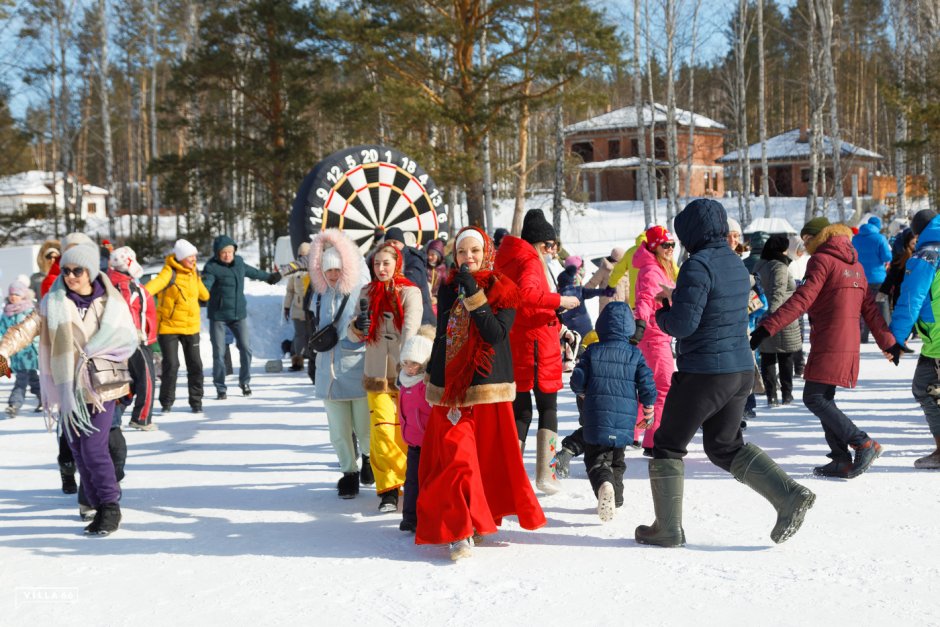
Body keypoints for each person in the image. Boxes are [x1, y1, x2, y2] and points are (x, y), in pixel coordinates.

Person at [635, 198, 815, 548]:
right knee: (723, 445)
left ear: (691, 232)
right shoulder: (734, 261)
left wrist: (662, 312)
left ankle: (667, 529)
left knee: (668, 444)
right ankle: (789, 496)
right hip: (739, 370)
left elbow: (684, 325)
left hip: (704, 371)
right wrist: (679, 297)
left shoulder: (696, 265)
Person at [417, 226, 546, 560]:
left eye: (474, 251)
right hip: (451, 391)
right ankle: (460, 533)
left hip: (488, 389)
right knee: (457, 460)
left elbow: (494, 334)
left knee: (484, 464)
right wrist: (430, 370)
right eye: (462, 252)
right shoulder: (446, 288)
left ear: (487, 252)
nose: (468, 258)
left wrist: (474, 294)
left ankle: (479, 518)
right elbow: (444, 336)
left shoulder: (506, 289)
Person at [0, 243, 139, 536]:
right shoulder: (53, 302)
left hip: (102, 387)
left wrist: (100, 352)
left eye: (77, 270)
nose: (71, 276)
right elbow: (26, 329)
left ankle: (110, 506)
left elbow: (129, 337)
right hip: (67, 386)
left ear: (90, 271)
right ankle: (95, 503)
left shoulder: (110, 302)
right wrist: (3, 351)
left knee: (93, 448)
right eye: (66, 271)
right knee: (78, 449)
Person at [751, 217, 904, 479]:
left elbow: (802, 299)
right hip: (846, 341)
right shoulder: (855, 264)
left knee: (815, 398)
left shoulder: (821, 260)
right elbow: (869, 309)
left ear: (817, 237)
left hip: (830, 340)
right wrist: (888, 342)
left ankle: (862, 442)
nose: (805, 246)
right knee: (824, 398)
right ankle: (841, 459)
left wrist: (766, 328)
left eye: (807, 240)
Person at [494, 209, 579, 494]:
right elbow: (527, 295)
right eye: (550, 246)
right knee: (548, 407)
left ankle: (509, 473)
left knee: (521, 411)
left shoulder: (507, 257)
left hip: (515, 342)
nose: (552, 252)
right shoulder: (530, 261)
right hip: (537, 345)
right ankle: (547, 473)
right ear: (542, 244)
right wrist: (561, 300)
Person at [349, 242, 421, 512]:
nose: (381, 268)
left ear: (397, 264)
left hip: (407, 374)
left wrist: (408, 363)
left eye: (386, 263)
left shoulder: (409, 292)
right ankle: (389, 490)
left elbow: (411, 328)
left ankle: (410, 481)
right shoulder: (366, 292)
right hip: (376, 372)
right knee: (381, 430)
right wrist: (357, 326)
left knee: (406, 431)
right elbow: (352, 332)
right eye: (377, 263)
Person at [570, 301, 656, 521]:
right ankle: (616, 498)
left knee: (596, 458)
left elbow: (577, 378)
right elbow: (647, 382)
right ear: (629, 328)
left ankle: (603, 484)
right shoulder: (634, 354)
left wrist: (580, 391)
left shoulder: (592, 351)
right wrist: (648, 406)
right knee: (618, 459)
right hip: (625, 419)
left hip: (597, 415)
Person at [307, 230, 374, 497]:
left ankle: (368, 458)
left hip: (356, 368)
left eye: (336, 269)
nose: (332, 274)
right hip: (328, 371)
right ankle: (349, 472)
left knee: (364, 426)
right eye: (327, 269)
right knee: (338, 431)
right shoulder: (319, 295)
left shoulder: (360, 291)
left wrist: (358, 328)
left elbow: (369, 328)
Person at [886, 209, 940, 469]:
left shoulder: (928, 252)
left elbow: (911, 297)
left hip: (938, 336)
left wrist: (895, 337)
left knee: (925, 388)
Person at [202, 235, 281, 399]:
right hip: (218, 316)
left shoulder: (238, 262)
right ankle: (220, 387)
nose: (227, 255)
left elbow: (254, 272)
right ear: (217, 253)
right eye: (224, 252)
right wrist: (202, 294)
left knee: (246, 348)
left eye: (230, 251)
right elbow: (206, 284)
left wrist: (270, 278)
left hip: (238, 314)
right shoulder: (211, 267)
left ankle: (244, 381)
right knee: (219, 352)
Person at [145, 239, 210, 413]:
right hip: (169, 327)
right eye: (191, 257)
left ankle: (196, 402)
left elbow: (204, 294)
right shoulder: (169, 271)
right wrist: (139, 294)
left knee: (195, 365)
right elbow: (152, 287)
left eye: (195, 256)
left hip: (191, 327)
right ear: (181, 257)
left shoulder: (193, 272)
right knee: (171, 365)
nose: (194, 260)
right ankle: (166, 402)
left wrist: (205, 291)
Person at [631, 225, 678, 454]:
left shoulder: (660, 267)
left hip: (657, 335)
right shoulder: (651, 270)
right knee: (663, 389)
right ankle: (653, 440)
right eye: (665, 245)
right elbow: (645, 299)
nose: (670, 249)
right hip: (654, 337)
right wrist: (640, 323)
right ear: (653, 246)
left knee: (649, 389)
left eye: (672, 245)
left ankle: (633, 431)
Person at [108, 246, 158, 429]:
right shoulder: (124, 286)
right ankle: (142, 418)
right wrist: (134, 333)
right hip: (136, 340)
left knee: (132, 380)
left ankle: (115, 414)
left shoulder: (120, 283)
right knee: (146, 380)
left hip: (134, 337)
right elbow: (128, 311)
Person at [752, 234, 802, 407]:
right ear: (781, 249)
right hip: (781, 317)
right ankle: (787, 395)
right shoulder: (779, 266)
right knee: (785, 356)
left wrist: (764, 317)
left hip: (763, 315)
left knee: (767, 357)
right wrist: (774, 317)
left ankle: (771, 396)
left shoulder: (761, 264)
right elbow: (778, 292)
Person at [397, 325, 435, 532]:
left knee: (428, 480)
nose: (410, 368)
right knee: (411, 481)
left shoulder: (425, 385)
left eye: (415, 363)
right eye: (406, 363)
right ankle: (409, 517)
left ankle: (428, 515)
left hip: (429, 441)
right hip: (412, 440)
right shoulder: (403, 383)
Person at [0, 280, 40, 418]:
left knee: (21, 380)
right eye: (11, 294)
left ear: (23, 295)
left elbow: (35, 330)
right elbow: (2, 330)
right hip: (15, 353)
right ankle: (44, 398)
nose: (13, 297)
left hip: (28, 353)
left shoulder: (29, 310)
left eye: (17, 294)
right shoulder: (6, 313)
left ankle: (14, 404)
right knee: (33, 379)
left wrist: (36, 346)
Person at [380, 227, 435, 326]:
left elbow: (411, 284)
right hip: (401, 319)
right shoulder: (385, 261)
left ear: (402, 243)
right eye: (388, 243)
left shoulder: (413, 259)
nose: (391, 246)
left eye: (395, 242)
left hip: (421, 319)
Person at [853, 216, 892, 343]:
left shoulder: (855, 238)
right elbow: (887, 256)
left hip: (860, 278)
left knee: (864, 307)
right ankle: (886, 336)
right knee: (882, 305)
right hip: (878, 279)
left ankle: (862, 336)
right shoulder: (880, 238)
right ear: (878, 226)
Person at [557, 255, 608, 338]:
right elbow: (590, 292)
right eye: (581, 266)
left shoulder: (559, 294)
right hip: (585, 327)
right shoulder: (577, 287)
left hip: (569, 330)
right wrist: (604, 291)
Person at [283, 242, 311, 372]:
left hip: (312, 309)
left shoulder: (316, 270)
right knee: (300, 335)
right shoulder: (295, 270)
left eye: (306, 255)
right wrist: (287, 307)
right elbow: (290, 291)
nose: (303, 258)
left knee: (312, 335)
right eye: (301, 255)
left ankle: (314, 360)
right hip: (298, 309)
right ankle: (297, 361)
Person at [584, 247, 628, 313]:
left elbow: (627, 290)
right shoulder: (604, 269)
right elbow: (592, 282)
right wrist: (583, 292)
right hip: (606, 305)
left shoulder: (625, 271)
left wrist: (631, 305)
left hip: (621, 306)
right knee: (606, 322)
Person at [425, 238, 447, 312]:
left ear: (439, 256)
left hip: (436, 302)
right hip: (424, 300)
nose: (429, 257)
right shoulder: (424, 266)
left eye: (432, 255)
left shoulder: (443, 269)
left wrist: (437, 298)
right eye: (428, 254)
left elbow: (445, 287)